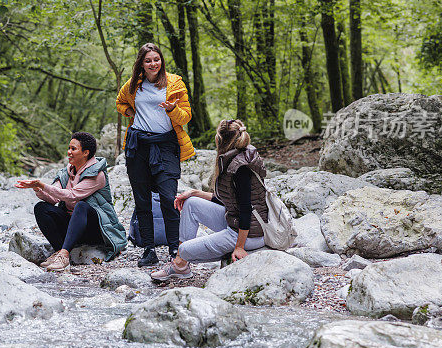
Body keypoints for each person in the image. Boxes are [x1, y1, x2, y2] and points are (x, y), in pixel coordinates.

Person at [150, 119, 267, 281]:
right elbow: (226, 201)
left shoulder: (241, 167)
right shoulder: (234, 158)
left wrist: (239, 247)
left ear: (219, 139)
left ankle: (180, 261)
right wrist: (193, 192)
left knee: (184, 250)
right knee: (190, 203)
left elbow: (246, 210)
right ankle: (180, 265)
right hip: (235, 222)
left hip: (249, 234)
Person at [116, 43, 195, 267]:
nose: (153, 64)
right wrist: (129, 111)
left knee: (169, 199)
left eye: (156, 59)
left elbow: (186, 117)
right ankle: (149, 250)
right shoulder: (133, 85)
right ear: (141, 63)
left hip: (166, 146)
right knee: (142, 201)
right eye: (148, 60)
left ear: (161, 61)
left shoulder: (175, 83)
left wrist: (172, 109)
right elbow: (120, 102)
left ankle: (174, 249)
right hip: (137, 146)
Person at [15, 131, 127, 272]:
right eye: (69, 148)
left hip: (96, 230)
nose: (69, 152)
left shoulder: (98, 175)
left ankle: (65, 253)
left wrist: (44, 185)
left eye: (73, 149)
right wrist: (38, 188)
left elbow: (72, 196)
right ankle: (60, 252)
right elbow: (54, 198)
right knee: (41, 207)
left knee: (81, 206)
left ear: (86, 153)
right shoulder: (66, 173)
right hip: (73, 229)